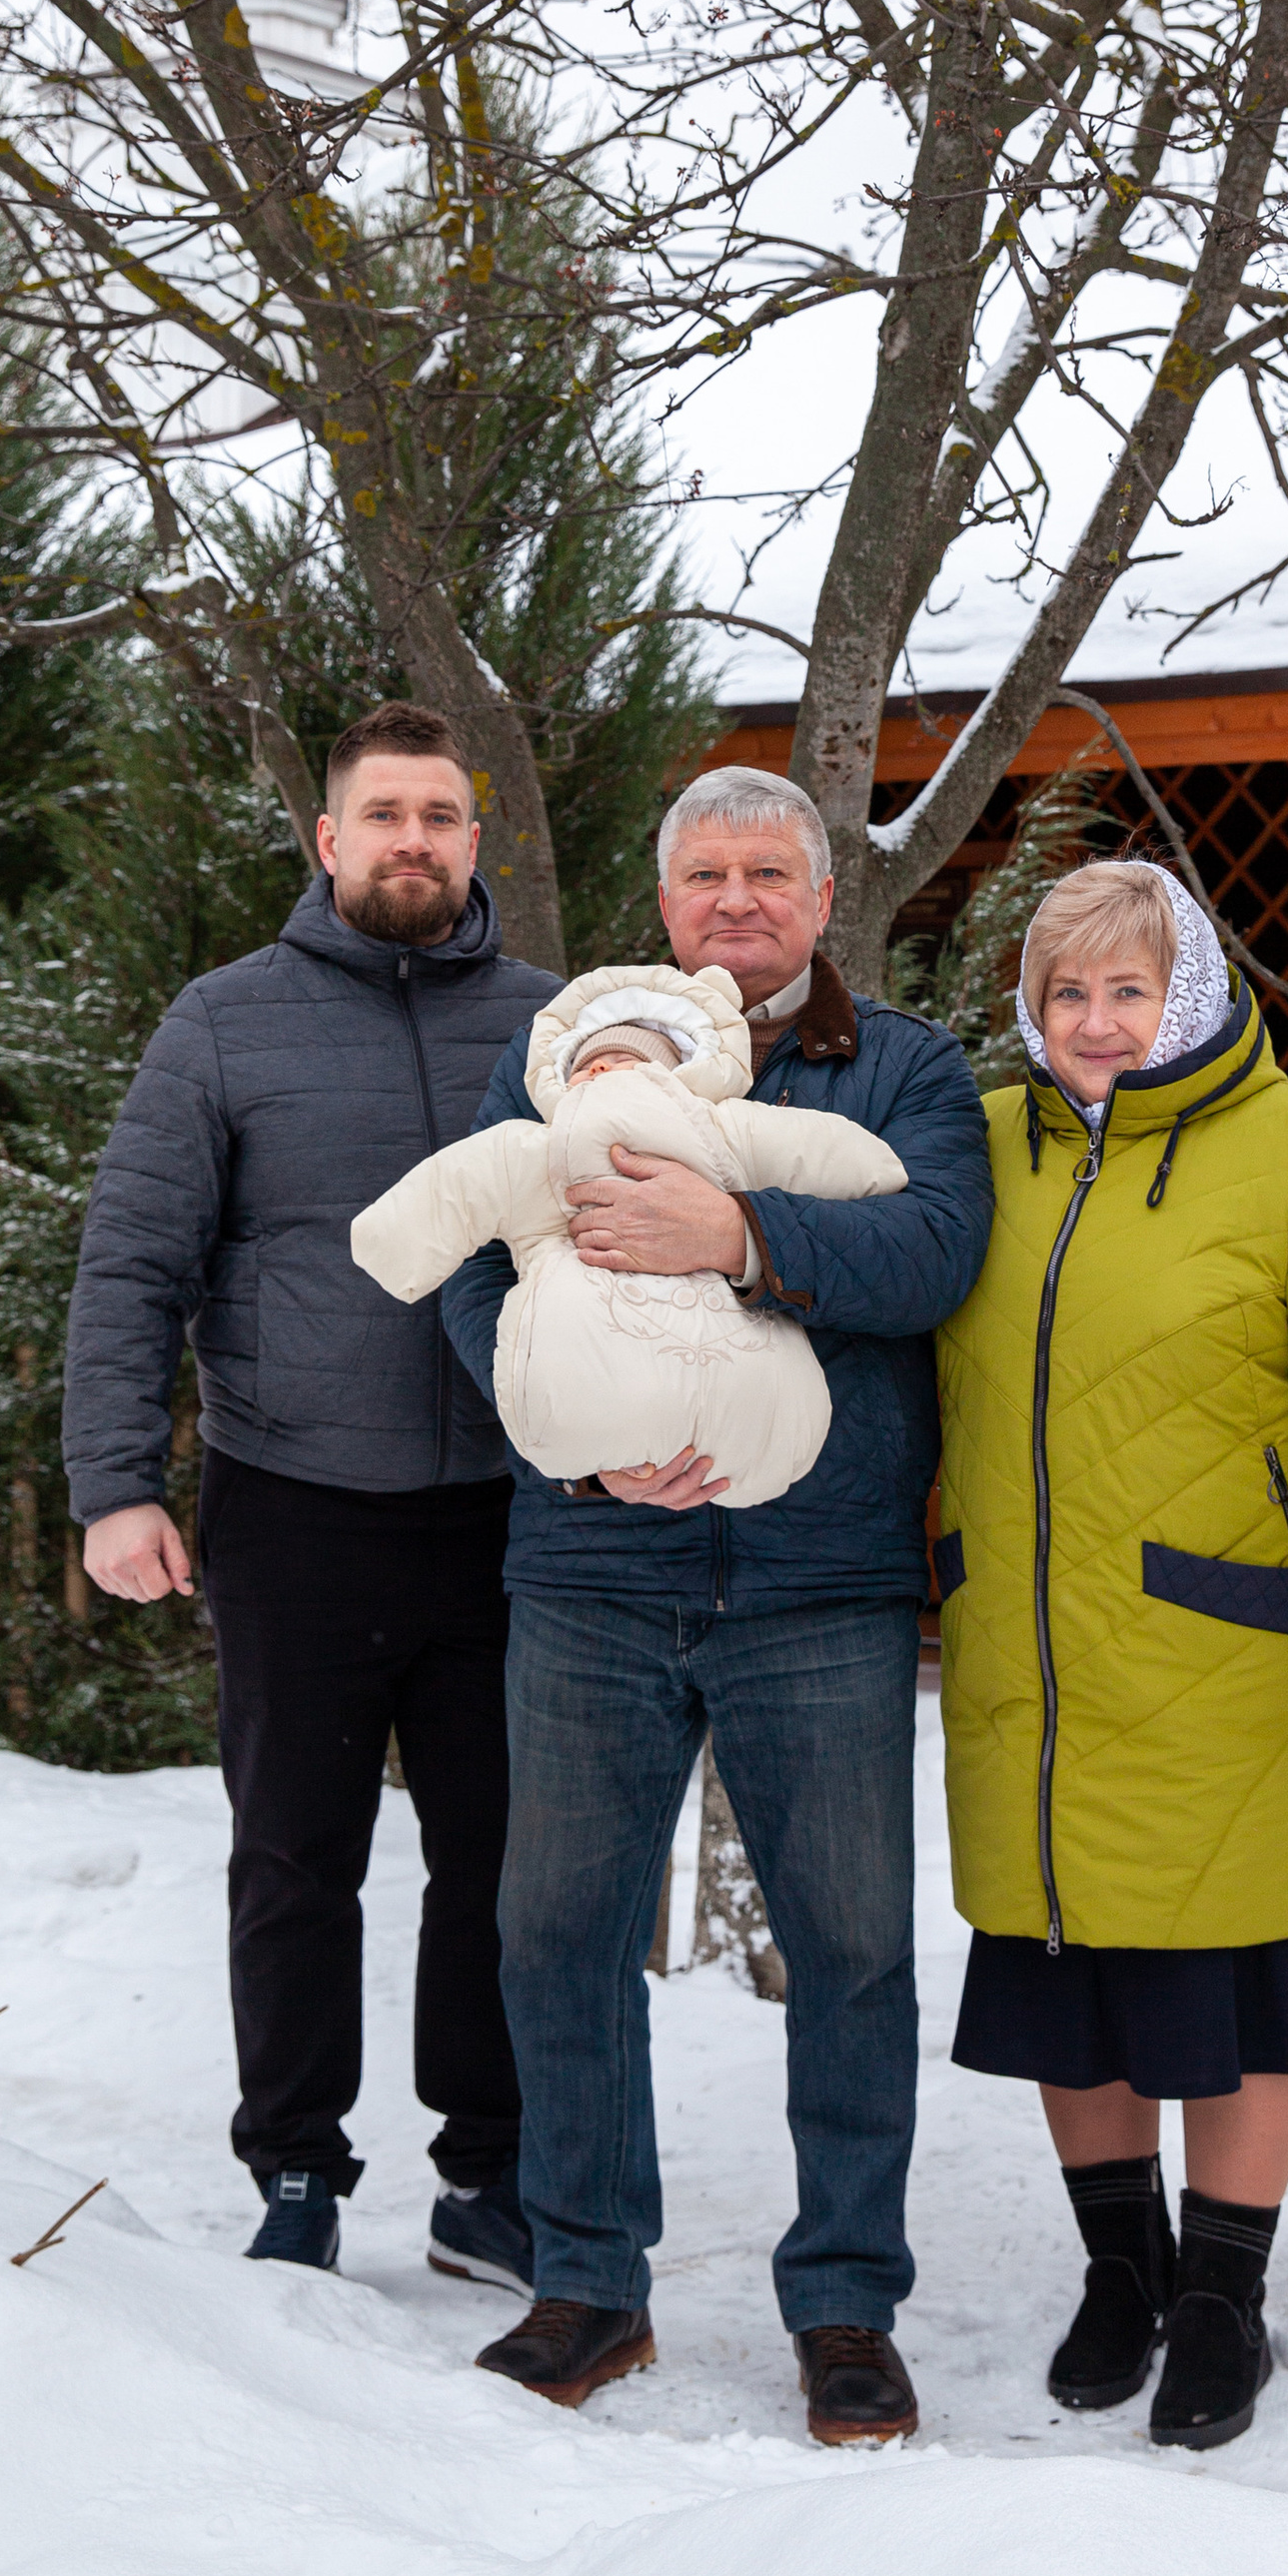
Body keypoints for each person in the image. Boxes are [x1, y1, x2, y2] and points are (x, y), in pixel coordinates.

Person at [441, 769, 994, 2440]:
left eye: (770, 872)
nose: (737, 901)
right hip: (596, 1574)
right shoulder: (557, 1060)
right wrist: (576, 1444)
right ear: (665, 900)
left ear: (823, 900)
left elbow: (936, 1254)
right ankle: (591, 2281)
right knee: (555, 1933)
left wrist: (738, 1235)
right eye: (705, 874)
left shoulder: (898, 1071)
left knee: (848, 1949)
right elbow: (475, 1268)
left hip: (819, 1584)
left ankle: (844, 2306)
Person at [932, 858, 1288, 2449]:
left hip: (1235, 1653)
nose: (1094, 1023)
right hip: (1031, 1662)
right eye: (1065, 992)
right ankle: (1122, 2270)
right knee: (1063, 1969)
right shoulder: (982, 1146)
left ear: (1198, 993)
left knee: (1244, 1979)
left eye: (1127, 988)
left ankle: (1223, 2296)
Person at [63, 701, 557, 2280]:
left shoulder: (556, 1028)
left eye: (441, 816)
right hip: (296, 1504)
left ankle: (489, 2177)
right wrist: (115, 1484)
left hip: (504, 1509)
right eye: (383, 815)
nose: (413, 840)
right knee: (296, 1858)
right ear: (329, 839)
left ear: (475, 843)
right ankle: (295, 2168)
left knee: (500, 1859)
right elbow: (133, 1264)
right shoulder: (224, 1024)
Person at [350, 961, 909, 1508]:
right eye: (585, 1065)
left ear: (671, 1072)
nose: (597, 1073)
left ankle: (754, 1437)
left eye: (619, 1060)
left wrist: (869, 1170)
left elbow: (806, 1147)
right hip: (583, 1346)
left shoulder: (717, 1125)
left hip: (737, 1341)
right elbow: (458, 1185)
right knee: (571, 1379)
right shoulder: (536, 1145)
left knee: (762, 1399)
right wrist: (392, 1243)